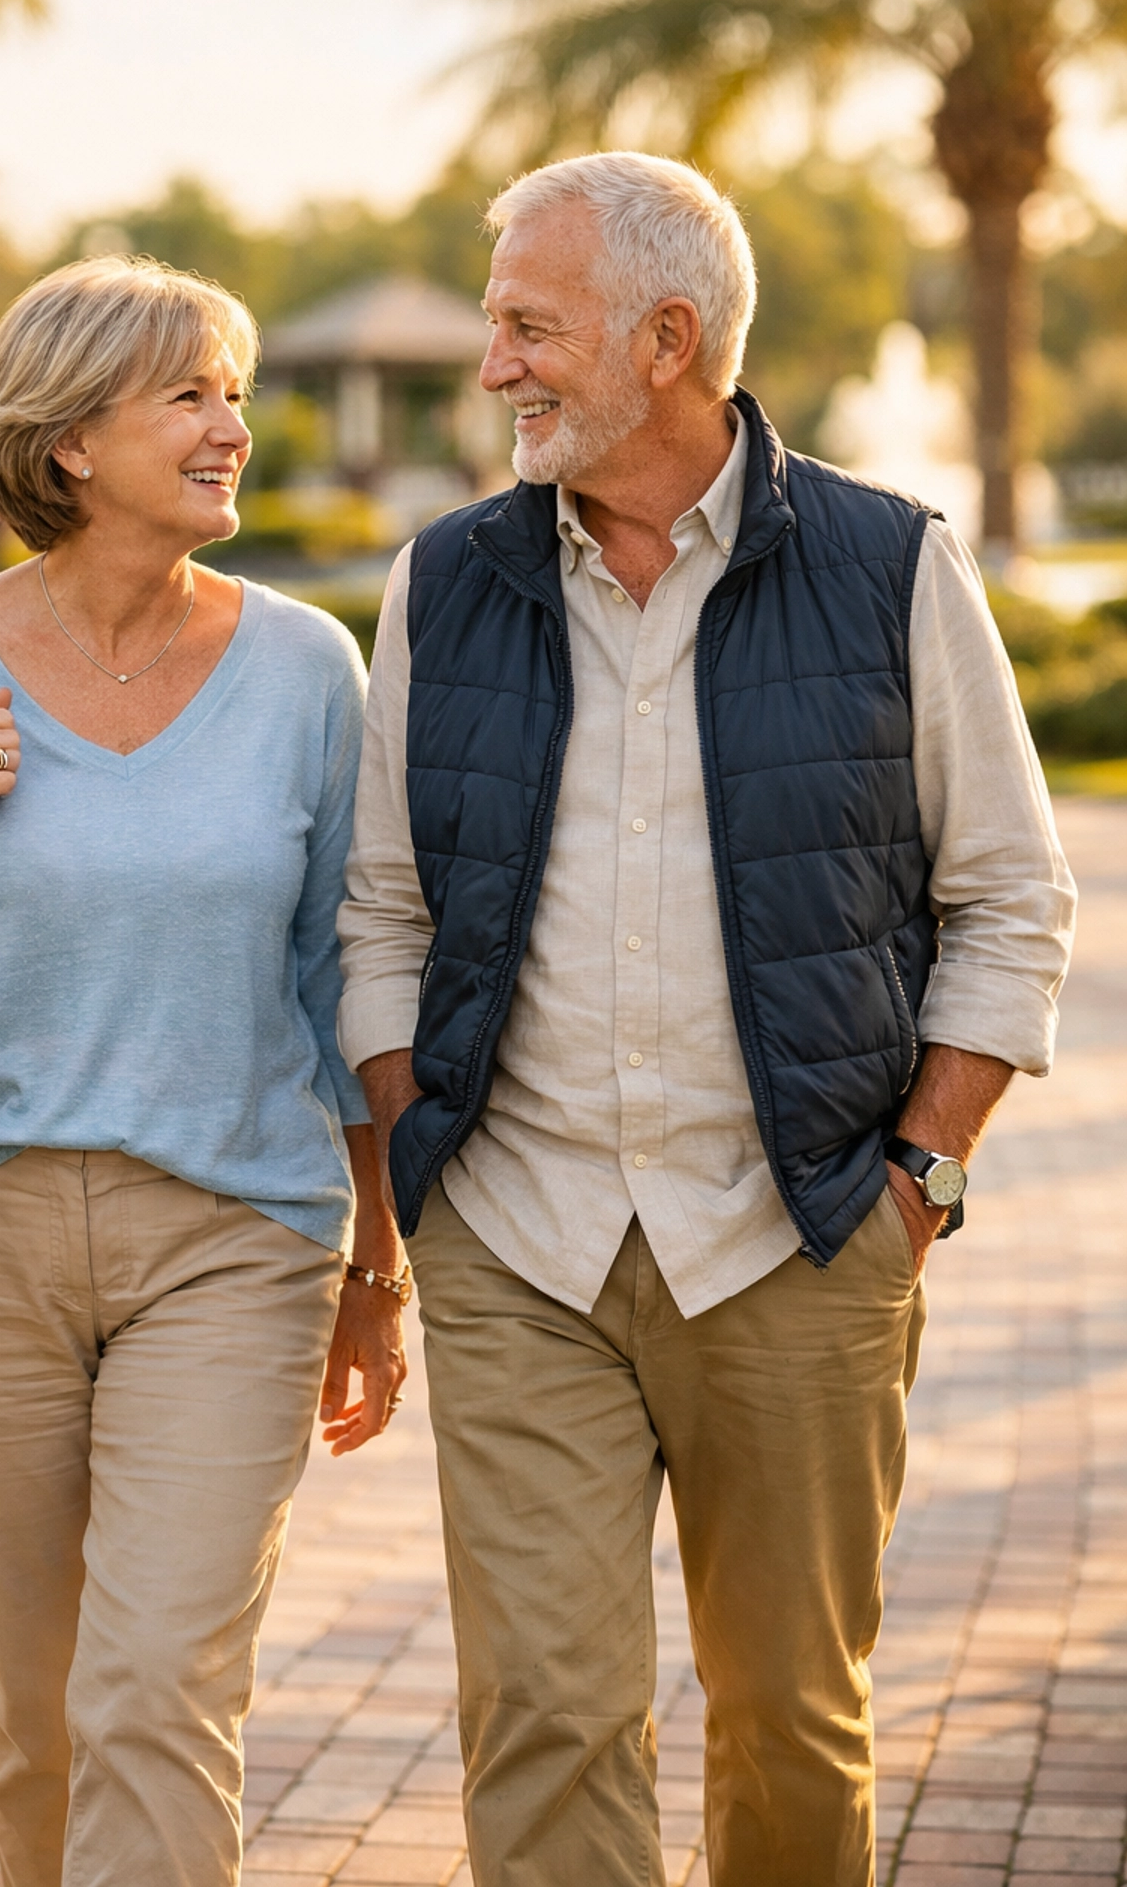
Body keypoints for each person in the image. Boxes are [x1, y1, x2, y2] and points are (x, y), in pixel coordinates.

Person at [336, 153, 1075, 1887]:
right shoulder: (445, 582)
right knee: (542, 1710)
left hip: (803, 1239)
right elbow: (382, 906)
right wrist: (419, 1151)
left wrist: (921, 1177)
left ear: (668, 339)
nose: (497, 363)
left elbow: (1013, 898)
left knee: (793, 1717)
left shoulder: (894, 566)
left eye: (532, 325)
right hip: (519, 1242)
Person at [0, 256, 408, 1887]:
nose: (233, 426)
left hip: (235, 1240)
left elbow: (349, 983)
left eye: (236, 390)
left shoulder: (310, 668)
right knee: (36, 1719)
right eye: (191, 394)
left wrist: (375, 1267)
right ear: (70, 441)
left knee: (158, 1689)